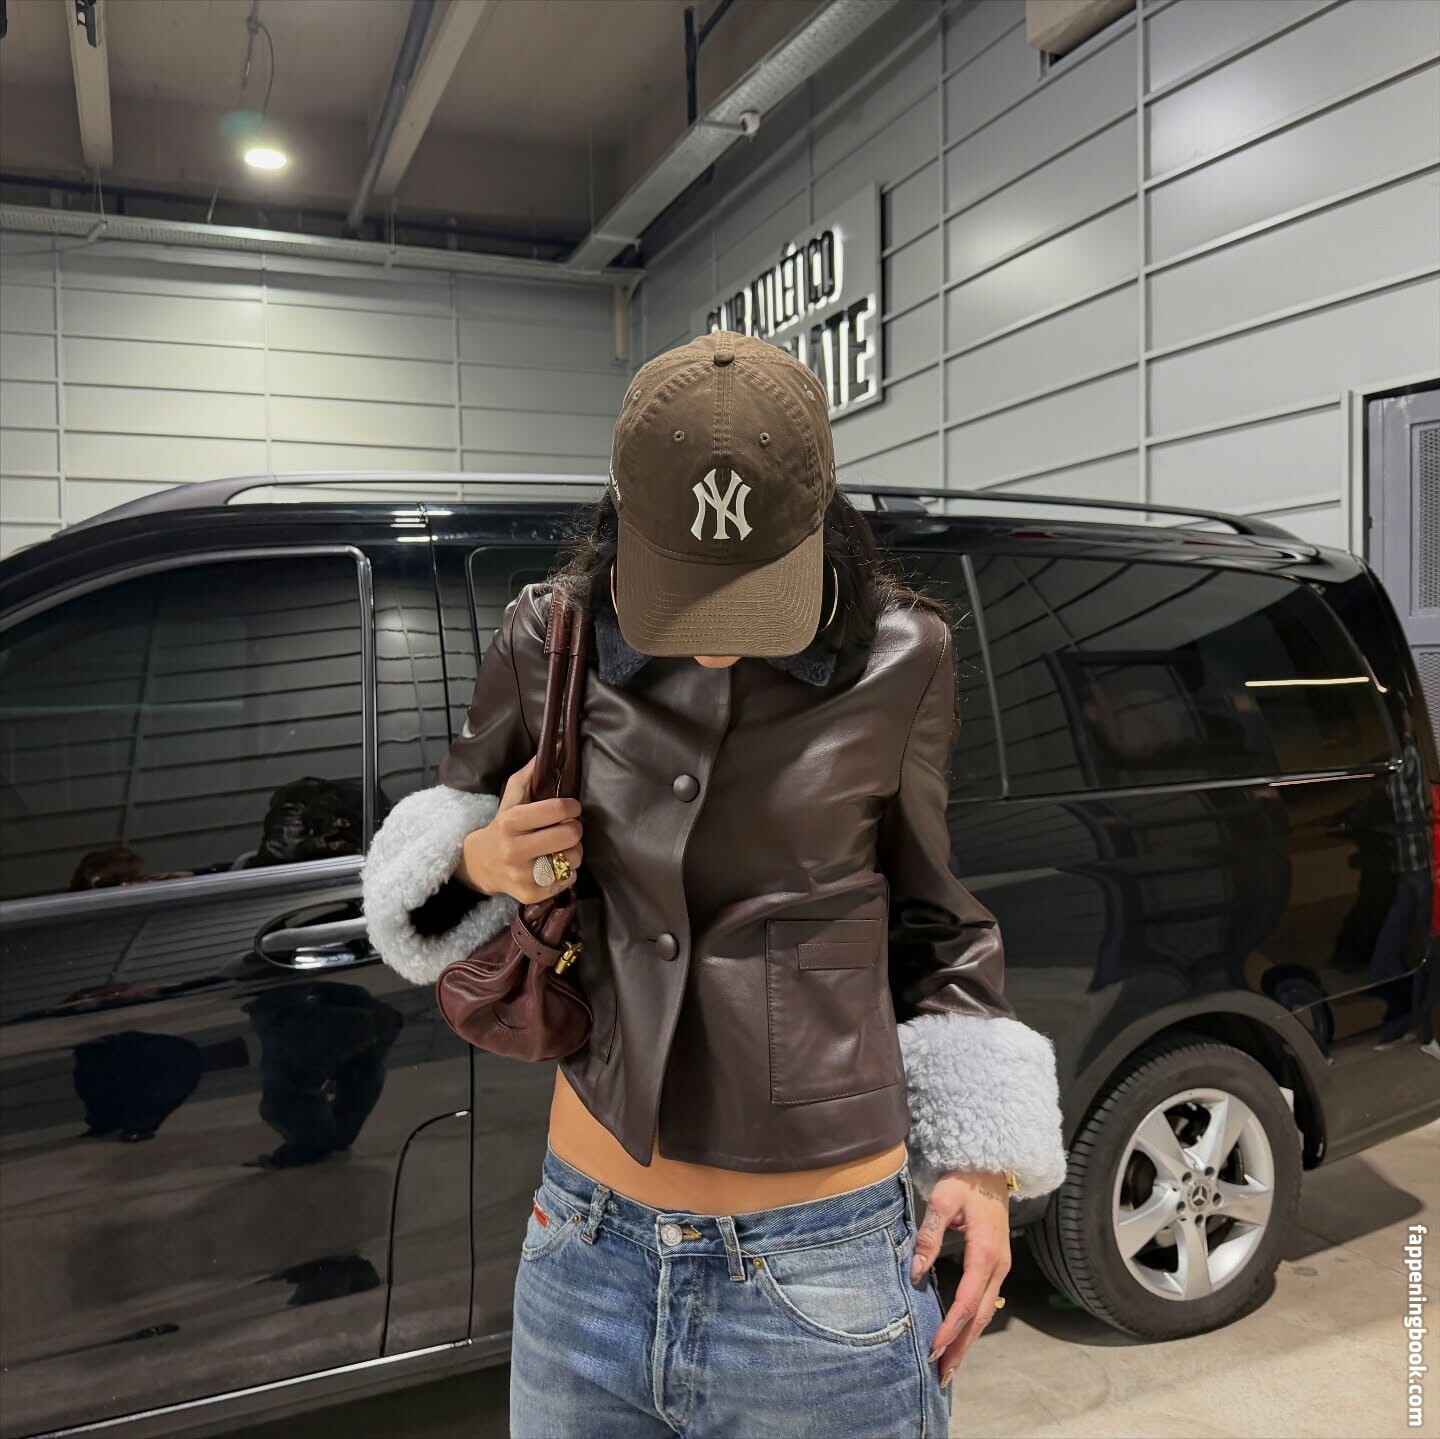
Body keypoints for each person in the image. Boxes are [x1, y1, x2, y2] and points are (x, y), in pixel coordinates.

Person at [361, 331, 1067, 1437]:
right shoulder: (549, 636)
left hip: (823, 1273)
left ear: (819, 517)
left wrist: (982, 1159)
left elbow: (937, 920)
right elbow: (455, 824)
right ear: (624, 522)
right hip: (583, 1249)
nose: (723, 644)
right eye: (690, 594)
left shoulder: (905, 654)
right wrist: (479, 860)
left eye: (755, 596)